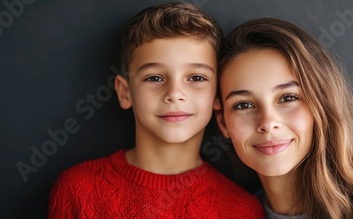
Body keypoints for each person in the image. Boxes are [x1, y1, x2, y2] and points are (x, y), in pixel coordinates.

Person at [49, 2, 264, 218]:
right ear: (125, 93)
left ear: (217, 94)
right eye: (154, 78)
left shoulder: (241, 210)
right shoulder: (78, 189)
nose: (174, 93)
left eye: (196, 78)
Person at [214, 17, 353, 218]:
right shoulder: (231, 214)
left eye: (288, 98)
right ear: (223, 122)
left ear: (321, 105)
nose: (268, 123)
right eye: (243, 105)